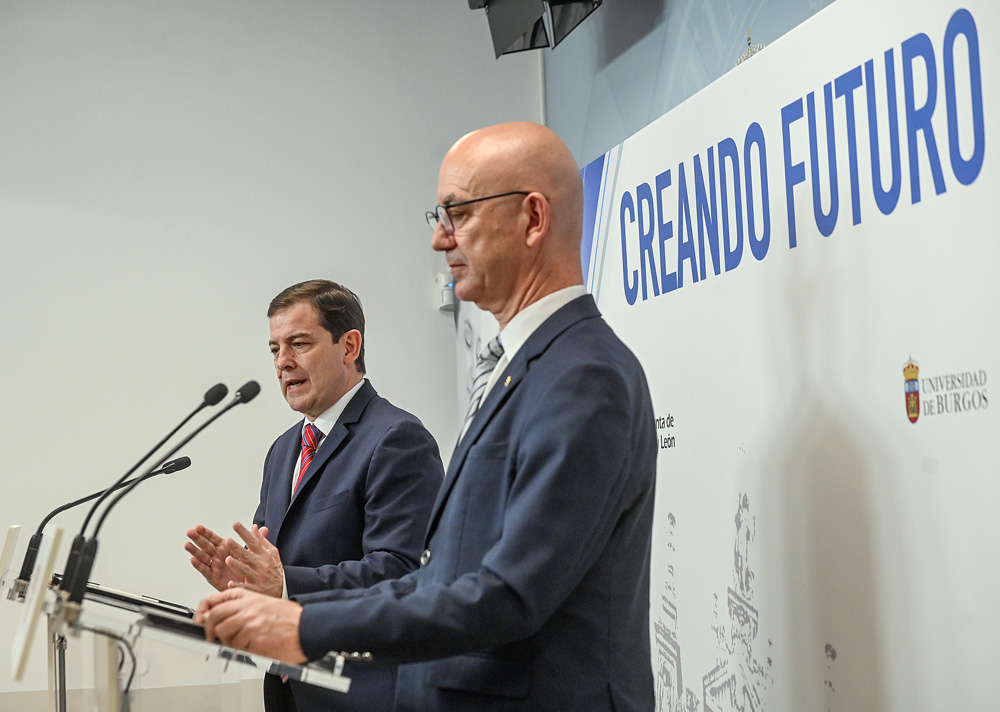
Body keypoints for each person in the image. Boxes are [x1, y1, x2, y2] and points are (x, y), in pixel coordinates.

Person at [196, 123, 657, 711]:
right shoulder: (523, 370)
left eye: (457, 214)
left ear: (533, 218)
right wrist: (280, 600)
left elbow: (508, 596)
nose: (440, 239)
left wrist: (304, 623)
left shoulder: (583, 376)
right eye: (439, 217)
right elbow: (441, 578)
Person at [185, 279, 444, 712]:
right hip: (289, 689)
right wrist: (246, 582)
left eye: (299, 344)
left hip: (365, 693)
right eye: (274, 349)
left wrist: (284, 584)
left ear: (349, 346)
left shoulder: (396, 438)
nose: (282, 362)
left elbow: (402, 572)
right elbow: (272, 561)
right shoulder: (283, 450)